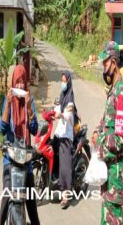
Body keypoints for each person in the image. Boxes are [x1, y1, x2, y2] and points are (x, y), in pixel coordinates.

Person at [0, 65, 40, 225]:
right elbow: (3, 129)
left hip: (26, 160)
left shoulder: (30, 102)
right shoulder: (7, 101)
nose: (20, 86)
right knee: (6, 195)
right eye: (18, 82)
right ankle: (1, 222)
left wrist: (29, 108)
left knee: (31, 202)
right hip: (10, 159)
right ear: (13, 84)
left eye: (23, 82)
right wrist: (8, 104)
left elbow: (35, 130)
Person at [92, 41, 123, 225]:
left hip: (116, 182)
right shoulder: (113, 91)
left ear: (114, 63)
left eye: (105, 63)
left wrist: (100, 146)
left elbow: (121, 139)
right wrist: (97, 131)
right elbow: (106, 121)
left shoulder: (121, 92)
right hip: (109, 182)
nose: (103, 67)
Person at [53, 71, 75, 209]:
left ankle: (66, 195)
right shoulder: (62, 95)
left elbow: (68, 114)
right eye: (61, 80)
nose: (62, 83)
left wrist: (61, 114)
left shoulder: (70, 98)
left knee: (65, 166)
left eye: (64, 81)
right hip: (59, 133)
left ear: (68, 82)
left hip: (66, 136)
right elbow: (57, 107)